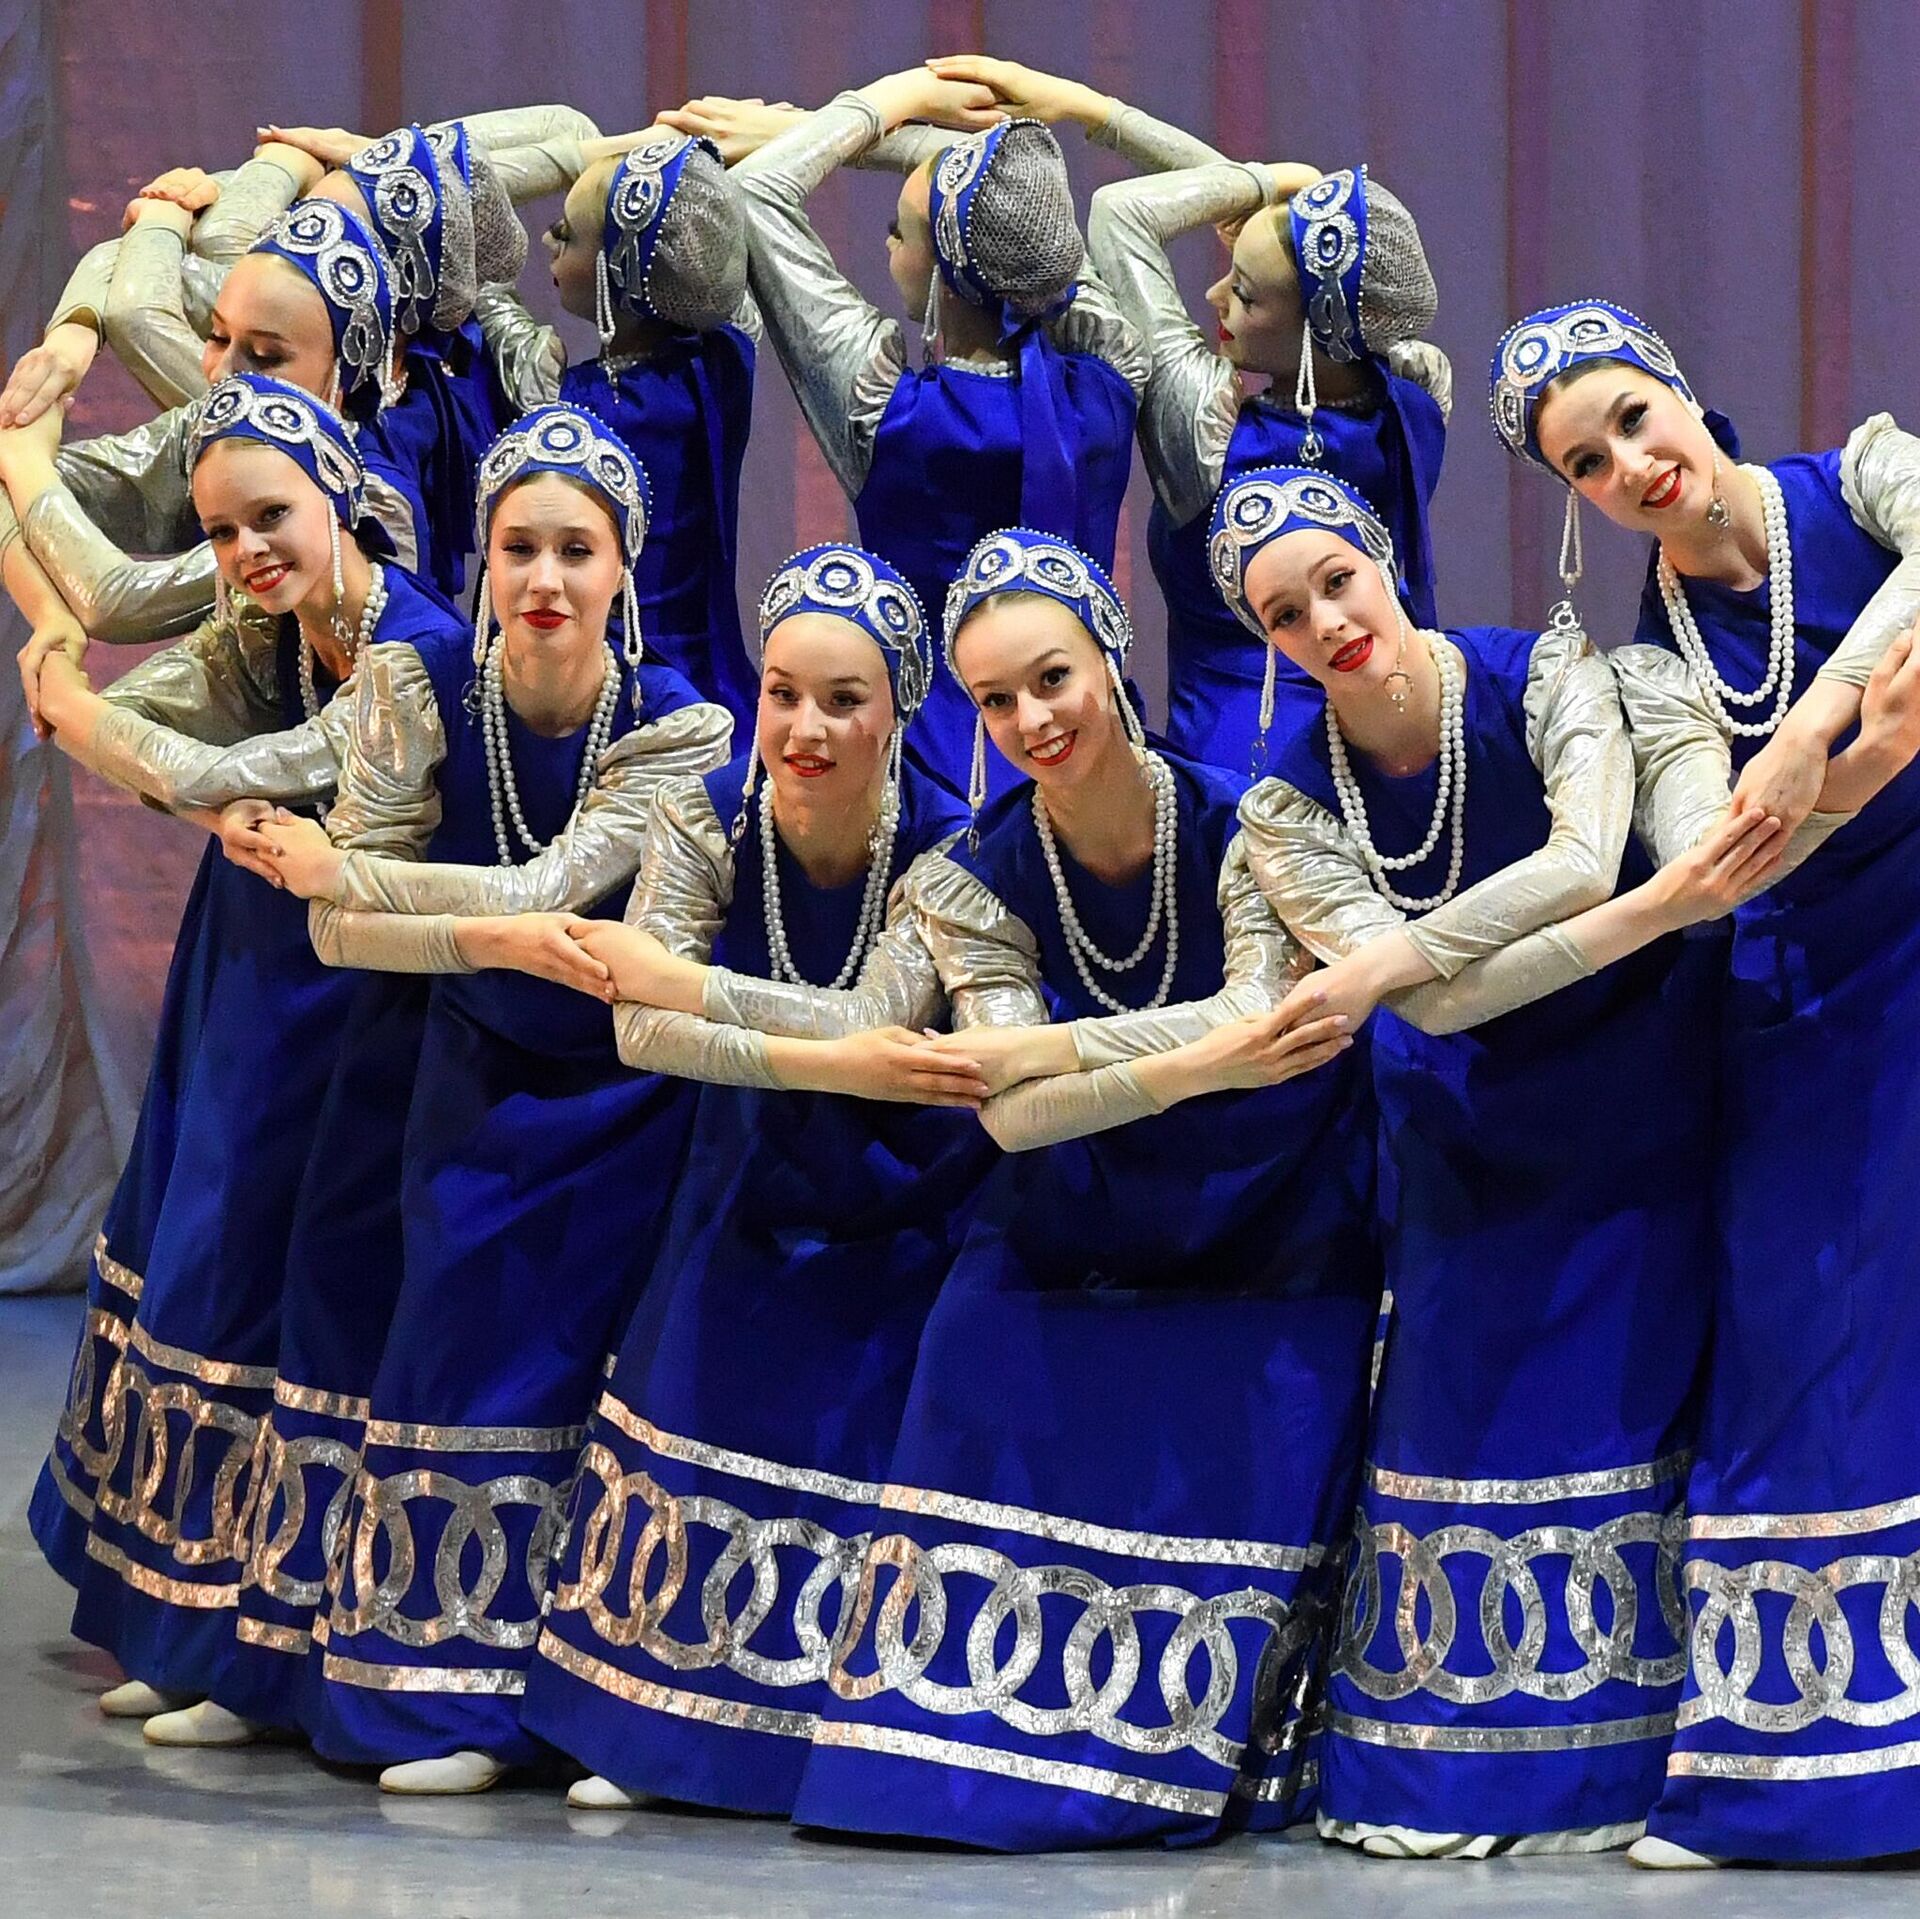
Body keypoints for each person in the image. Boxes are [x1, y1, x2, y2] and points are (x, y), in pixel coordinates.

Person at [788, 527, 1376, 1850]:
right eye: (995, 699)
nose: (1030, 720)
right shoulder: (971, 873)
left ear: (1113, 657)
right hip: (1080, 1193)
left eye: (1051, 678)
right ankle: (958, 1760)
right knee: (973, 1346)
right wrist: (1198, 1060)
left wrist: (1076, 1056)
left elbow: (1252, 1019)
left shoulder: (1250, 818)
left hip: (1273, 1194)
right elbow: (1014, 1113)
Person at [1209, 462, 1763, 1855]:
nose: (1327, 622)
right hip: (1466, 1121)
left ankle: (1636, 1764)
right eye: (1285, 615)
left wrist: (1387, 963)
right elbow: (1447, 1007)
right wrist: (1659, 906)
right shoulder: (1284, 807)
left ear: (1384, 560)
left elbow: (1582, 858)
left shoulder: (1547, 671)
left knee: (1633, 1393)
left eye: (1337, 581)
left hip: (1641, 1077)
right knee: (1463, 1410)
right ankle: (1451, 1772)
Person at [1500, 298, 1920, 1868]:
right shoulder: (1652, 669)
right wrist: (1866, 760)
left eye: (1630, 418)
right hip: (1818, 987)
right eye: (1587, 463)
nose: (1629, 463)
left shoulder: (1864, 474)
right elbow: (1716, 860)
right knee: (1813, 1337)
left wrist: (1813, 728)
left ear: (1680, 388)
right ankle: (1797, 1767)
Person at [257, 404, 731, 1793]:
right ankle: (431, 1697)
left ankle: (575, 1703)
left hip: (623, 1095)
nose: (545, 579)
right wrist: (442, 925)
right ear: (483, 555)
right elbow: (341, 936)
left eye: (576, 550)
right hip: (470, 1068)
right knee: (446, 1342)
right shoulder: (417, 686)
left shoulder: (679, 725)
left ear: (623, 563)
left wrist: (351, 875)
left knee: (586, 1373)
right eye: (520, 546)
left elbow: (547, 887)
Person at [512, 543, 996, 1814]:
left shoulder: (954, 845)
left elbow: (870, 1018)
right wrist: (804, 1050)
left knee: (860, 1425)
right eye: (783, 693)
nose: (804, 728)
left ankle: (816, 1733)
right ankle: (649, 1727)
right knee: (697, 1384)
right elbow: (639, 1032)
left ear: (899, 709)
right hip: (753, 1157)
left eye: (843, 700)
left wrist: (688, 986)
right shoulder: (707, 812)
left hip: (907, 1182)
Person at [21, 374, 464, 1723]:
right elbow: (162, 727)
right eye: (219, 531)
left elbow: (215, 771)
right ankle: (190, 1625)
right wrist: (92, 698)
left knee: (296, 1297)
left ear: (340, 492)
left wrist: (67, 699)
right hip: (255, 971)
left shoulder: (414, 650)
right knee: (208, 1268)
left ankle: (266, 1653)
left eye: (269, 516)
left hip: (364, 1005)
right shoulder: (264, 627)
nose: (246, 551)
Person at [680, 70, 1154, 791]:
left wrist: (897, 99)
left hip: (938, 763)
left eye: (900, 232)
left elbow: (761, 191)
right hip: (1090, 735)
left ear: (941, 278)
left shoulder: (889, 415)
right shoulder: (1111, 374)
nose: (887, 243)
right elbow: (1027, 215)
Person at [1088, 123, 1445, 773]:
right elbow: (1301, 244)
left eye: (1243, 293)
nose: (1214, 296)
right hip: (1394, 730)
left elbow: (1121, 214)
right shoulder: (1415, 404)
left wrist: (1094, 111)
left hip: (1245, 756)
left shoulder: (1207, 438)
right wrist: (1288, 189)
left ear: (1313, 330)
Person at [476, 127, 762, 722]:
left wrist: (582, 148)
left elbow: (470, 224)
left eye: (566, 233)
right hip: (711, 682)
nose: (546, 239)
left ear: (616, 269)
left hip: (596, 688)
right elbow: (718, 222)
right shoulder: (729, 357)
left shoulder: (557, 401)